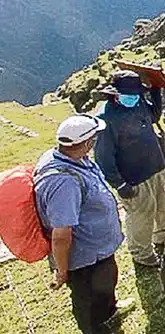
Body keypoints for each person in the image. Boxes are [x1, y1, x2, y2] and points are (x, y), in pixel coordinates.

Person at [35, 114, 133, 334]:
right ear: (88, 142)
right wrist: (61, 270)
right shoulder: (63, 183)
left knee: (106, 285)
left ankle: (110, 313)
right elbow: (61, 234)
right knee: (89, 302)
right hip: (84, 259)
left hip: (97, 250)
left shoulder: (72, 158)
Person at [94, 71, 165, 267]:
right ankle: (142, 254)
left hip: (154, 167)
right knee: (141, 216)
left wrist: (155, 92)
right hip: (134, 178)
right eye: (130, 95)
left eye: (137, 94)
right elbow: (103, 157)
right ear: (115, 94)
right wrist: (119, 184)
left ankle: (163, 238)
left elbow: (153, 116)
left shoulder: (138, 103)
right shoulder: (106, 119)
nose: (134, 98)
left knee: (161, 207)